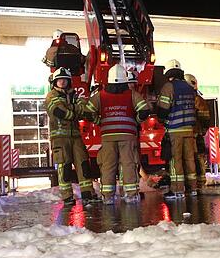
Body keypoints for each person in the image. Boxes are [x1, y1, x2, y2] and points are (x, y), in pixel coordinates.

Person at [87, 64, 151, 203]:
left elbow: (88, 111)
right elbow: (144, 110)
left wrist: (99, 122)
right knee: (129, 164)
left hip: (108, 136)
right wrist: (135, 121)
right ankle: (131, 195)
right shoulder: (132, 94)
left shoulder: (100, 96)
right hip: (127, 136)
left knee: (108, 165)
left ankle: (108, 196)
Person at [45, 67, 96, 205]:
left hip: (76, 136)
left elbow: (83, 108)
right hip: (60, 138)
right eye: (59, 80)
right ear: (54, 82)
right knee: (65, 167)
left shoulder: (74, 94)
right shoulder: (51, 96)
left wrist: (73, 109)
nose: (62, 82)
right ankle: (67, 196)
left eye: (65, 80)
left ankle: (87, 193)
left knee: (83, 164)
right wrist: (74, 111)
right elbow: (59, 111)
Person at [156, 59, 200, 197]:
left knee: (176, 160)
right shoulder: (189, 87)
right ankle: (193, 188)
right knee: (189, 160)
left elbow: (163, 110)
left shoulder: (169, 87)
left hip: (174, 130)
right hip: (189, 130)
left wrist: (161, 119)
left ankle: (177, 190)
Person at [185, 73, 212, 192]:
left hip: (189, 135)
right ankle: (200, 184)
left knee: (191, 159)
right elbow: (205, 118)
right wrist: (203, 131)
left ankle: (194, 184)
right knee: (198, 158)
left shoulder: (187, 99)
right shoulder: (198, 100)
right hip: (196, 134)